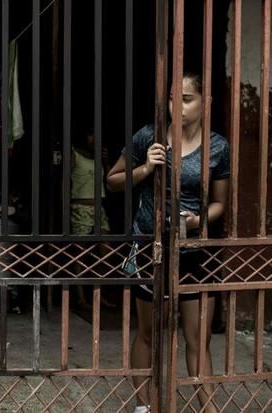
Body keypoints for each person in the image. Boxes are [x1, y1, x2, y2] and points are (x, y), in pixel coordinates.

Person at [106, 73, 229, 413]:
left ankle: (208, 408)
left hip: (193, 251)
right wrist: (146, 168)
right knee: (148, 332)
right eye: (174, 98)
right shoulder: (150, 136)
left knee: (197, 338)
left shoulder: (217, 147)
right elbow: (113, 181)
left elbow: (220, 203)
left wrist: (199, 219)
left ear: (206, 103)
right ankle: (145, 406)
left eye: (188, 99)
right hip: (150, 247)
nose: (180, 107)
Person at [69, 129, 114, 309]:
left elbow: (111, 183)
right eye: (90, 134)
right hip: (80, 208)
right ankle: (80, 298)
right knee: (80, 254)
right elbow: (65, 181)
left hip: (99, 208)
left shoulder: (99, 158)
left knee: (106, 252)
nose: (94, 139)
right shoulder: (74, 154)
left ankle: (98, 296)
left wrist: (105, 162)